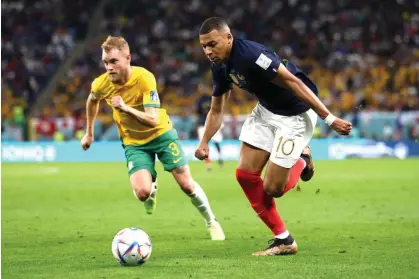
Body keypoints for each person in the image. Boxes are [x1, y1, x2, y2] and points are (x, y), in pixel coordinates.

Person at [194, 18, 352, 255]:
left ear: (229, 38)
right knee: (245, 176)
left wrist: (329, 119)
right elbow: (216, 110)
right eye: (204, 46)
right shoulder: (219, 66)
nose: (208, 51)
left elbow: (293, 82)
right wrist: (204, 141)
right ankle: (284, 240)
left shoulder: (251, 56)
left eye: (212, 44)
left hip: (295, 114)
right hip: (266, 111)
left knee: (273, 188)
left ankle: (303, 159)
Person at [81, 36, 225, 241]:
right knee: (142, 193)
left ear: (127, 58)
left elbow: (152, 119)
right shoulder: (101, 84)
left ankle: (212, 221)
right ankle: (152, 187)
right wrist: (89, 133)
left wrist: (124, 107)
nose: (109, 67)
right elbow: (92, 100)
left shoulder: (144, 78)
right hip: (133, 142)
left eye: (113, 61)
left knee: (186, 184)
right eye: (105, 62)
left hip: (161, 134)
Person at [196, 89, 224, 171]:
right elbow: (198, 113)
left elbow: (218, 110)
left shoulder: (212, 98)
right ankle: (208, 164)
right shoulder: (200, 100)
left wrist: (220, 122)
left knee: (216, 143)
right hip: (203, 124)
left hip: (212, 124)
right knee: (204, 145)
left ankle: (220, 159)